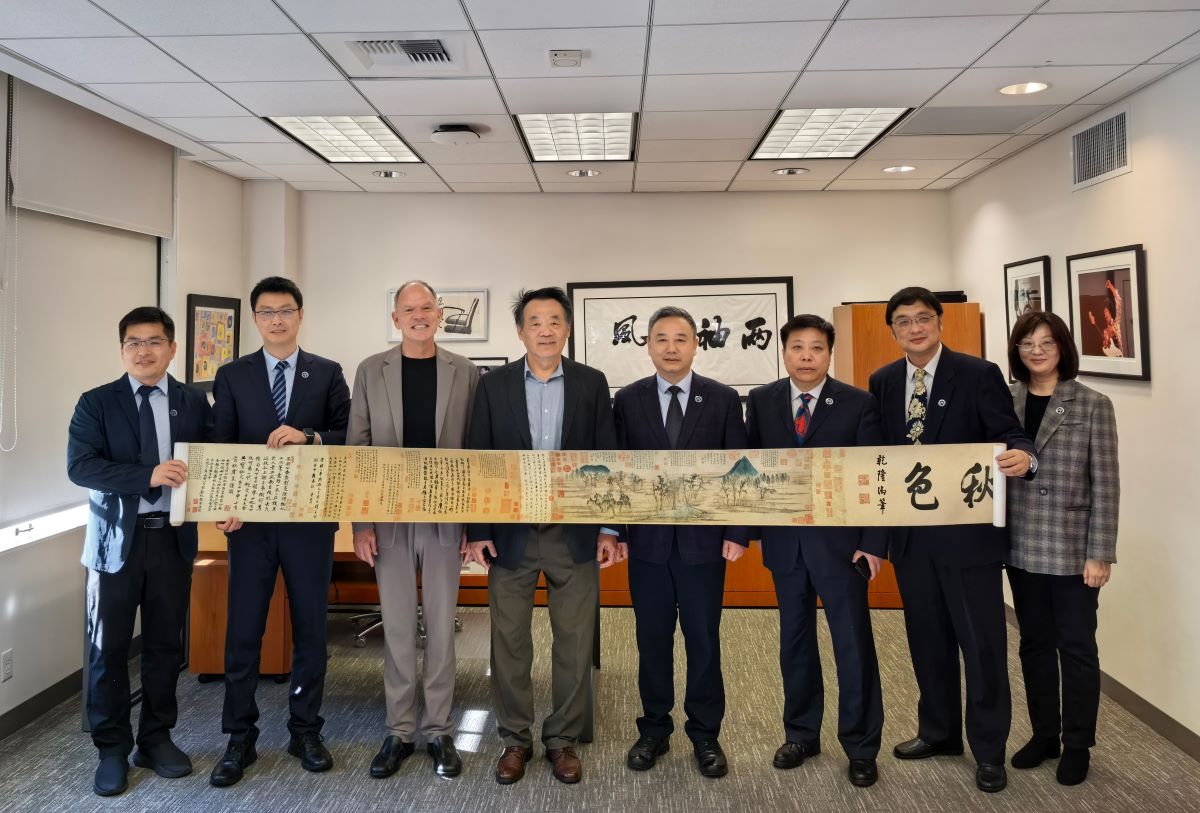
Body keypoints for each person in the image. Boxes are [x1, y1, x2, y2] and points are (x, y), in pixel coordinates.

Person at [868, 286, 1036, 793]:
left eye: (923, 318)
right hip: (912, 538)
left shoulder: (978, 374)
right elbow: (876, 453)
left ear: (939, 322)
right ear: (893, 332)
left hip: (969, 538)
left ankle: (989, 750)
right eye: (903, 321)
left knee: (981, 646)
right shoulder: (883, 381)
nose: (914, 328)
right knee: (927, 641)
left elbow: (1011, 433)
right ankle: (939, 732)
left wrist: (1025, 457)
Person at [462, 287, 624, 786]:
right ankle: (515, 738)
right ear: (521, 332)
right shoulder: (493, 386)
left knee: (573, 640)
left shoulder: (592, 383)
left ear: (567, 329)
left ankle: (562, 740)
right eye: (535, 322)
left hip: (573, 532)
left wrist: (609, 527)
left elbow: (607, 453)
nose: (546, 330)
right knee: (509, 640)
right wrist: (478, 530)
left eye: (555, 321)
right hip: (510, 532)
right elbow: (479, 456)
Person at [208, 277, 350, 787]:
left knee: (312, 630)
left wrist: (309, 436)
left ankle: (305, 730)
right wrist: (221, 505)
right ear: (255, 319)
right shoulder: (233, 375)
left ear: (300, 315)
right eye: (266, 312)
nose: (276, 320)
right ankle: (239, 736)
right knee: (244, 630)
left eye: (285, 310)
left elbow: (349, 436)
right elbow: (220, 444)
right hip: (250, 524)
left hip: (309, 523)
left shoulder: (327, 372)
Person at [67, 306, 212, 796]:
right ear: (122, 349)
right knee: (107, 649)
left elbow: (212, 461)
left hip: (172, 540)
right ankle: (111, 748)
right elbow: (81, 467)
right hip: (115, 544)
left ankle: (155, 738)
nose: (143, 351)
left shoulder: (194, 402)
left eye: (153, 342)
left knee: (165, 646)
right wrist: (147, 475)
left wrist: (226, 504)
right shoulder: (96, 403)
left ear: (172, 349)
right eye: (133, 342)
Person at [745, 314, 885, 788]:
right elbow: (751, 466)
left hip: (842, 548)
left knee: (852, 645)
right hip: (785, 545)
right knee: (795, 642)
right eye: (798, 347)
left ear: (829, 353)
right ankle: (801, 735)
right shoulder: (762, 401)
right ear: (784, 352)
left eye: (817, 348)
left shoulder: (858, 403)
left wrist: (873, 543)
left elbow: (873, 474)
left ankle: (861, 746)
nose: (806, 356)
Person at [347, 280, 478, 779]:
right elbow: (358, 449)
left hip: (446, 514)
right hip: (389, 517)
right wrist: (361, 522)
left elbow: (478, 449)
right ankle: (399, 731)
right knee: (398, 627)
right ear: (396, 318)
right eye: (409, 309)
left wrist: (473, 524)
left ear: (439, 315)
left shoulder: (465, 371)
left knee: (442, 628)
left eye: (427, 308)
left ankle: (440, 730)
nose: (419, 315)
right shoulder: (370, 370)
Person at [613, 306, 748, 779]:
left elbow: (739, 466)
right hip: (647, 545)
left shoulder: (723, 399)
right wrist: (614, 532)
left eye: (681, 339)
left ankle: (705, 733)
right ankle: (654, 728)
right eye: (662, 339)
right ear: (648, 345)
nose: (671, 348)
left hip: (703, 545)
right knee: (651, 640)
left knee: (703, 640)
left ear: (696, 345)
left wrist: (736, 532)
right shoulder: (627, 400)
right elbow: (617, 469)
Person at [1004, 311, 1119, 786]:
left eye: (1046, 342)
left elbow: (1106, 484)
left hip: (1073, 549)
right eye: (1027, 343)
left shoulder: (1093, 404)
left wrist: (1101, 553)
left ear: (1062, 348)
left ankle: (1077, 744)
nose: (1036, 351)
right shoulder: (1005, 400)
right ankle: (1044, 735)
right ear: (1017, 350)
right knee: (1033, 643)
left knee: (1076, 648)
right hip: (1019, 544)